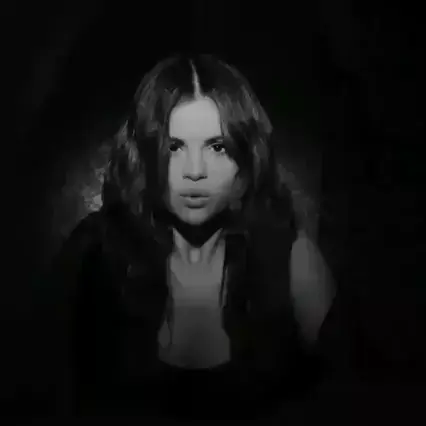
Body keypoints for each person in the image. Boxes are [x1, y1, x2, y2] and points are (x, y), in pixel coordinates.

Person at [48, 53, 335, 420]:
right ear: (144, 154)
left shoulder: (293, 260)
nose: (195, 171)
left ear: (246, 157)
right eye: (174, 147)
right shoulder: (93, 252)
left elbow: (360, 397)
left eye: (217, 147)